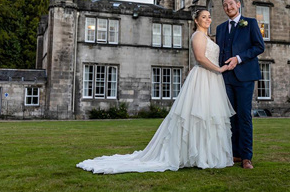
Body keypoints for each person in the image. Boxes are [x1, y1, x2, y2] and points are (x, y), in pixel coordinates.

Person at [76, 10, 235, 174]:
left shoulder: (209, 37)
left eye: (209, 16)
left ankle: (205, 154)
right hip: (203, 77)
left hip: (213, 79)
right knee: (198, 115)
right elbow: (201, 58)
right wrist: (220, 69)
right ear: (196, 20)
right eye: (203, 17)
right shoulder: (198, 36)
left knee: (210, 115)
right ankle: (194, 154)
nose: (208, 19)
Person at [216, 0, 265, 170]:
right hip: (226, 78)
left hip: (245, 77)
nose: (228, 7)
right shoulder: (220, 28)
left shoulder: (250, 23)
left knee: (244, 116)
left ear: (238, 5)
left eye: (230, 3)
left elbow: (259, 46)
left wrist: (238, 58)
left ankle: (246, 157)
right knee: (230, 117)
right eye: (224, 5)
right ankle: (234, 154)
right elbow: (218, 52)